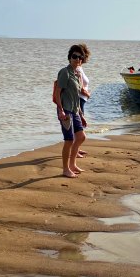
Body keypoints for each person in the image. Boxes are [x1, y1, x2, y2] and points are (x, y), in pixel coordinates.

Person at [54, 45, 87, 178]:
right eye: (74, 56)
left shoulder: (76, 74)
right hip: (65, 111)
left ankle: (73, 165)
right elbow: (57, 93)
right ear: (69, 57)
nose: (77, 59)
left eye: (80, 57)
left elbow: (76, 96)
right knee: (69, 140)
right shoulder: (65, 72)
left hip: (75, 110)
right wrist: (61, 111)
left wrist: (81, 114)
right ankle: (65, 169)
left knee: (81, 137)